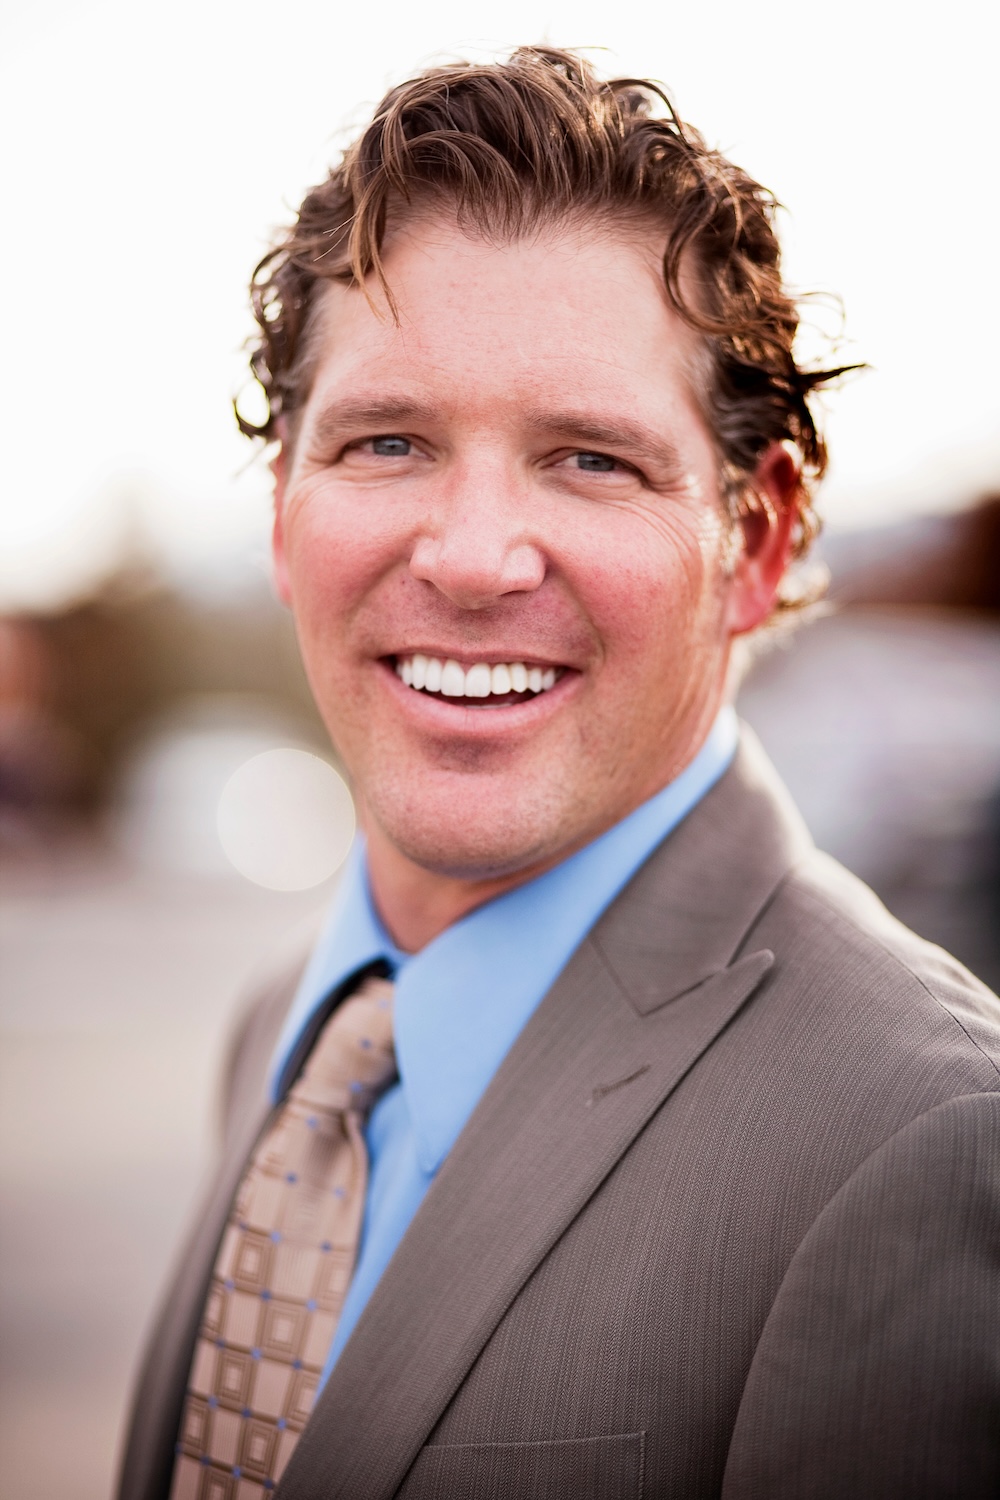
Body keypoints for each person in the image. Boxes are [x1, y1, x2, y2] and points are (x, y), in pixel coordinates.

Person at [118, 48, 1000, 1500]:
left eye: (592, 460)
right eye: (387, 441)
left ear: (759, 540)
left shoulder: (916, 1144)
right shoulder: (293, 1028)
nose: (470, 558)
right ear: (284, 515)